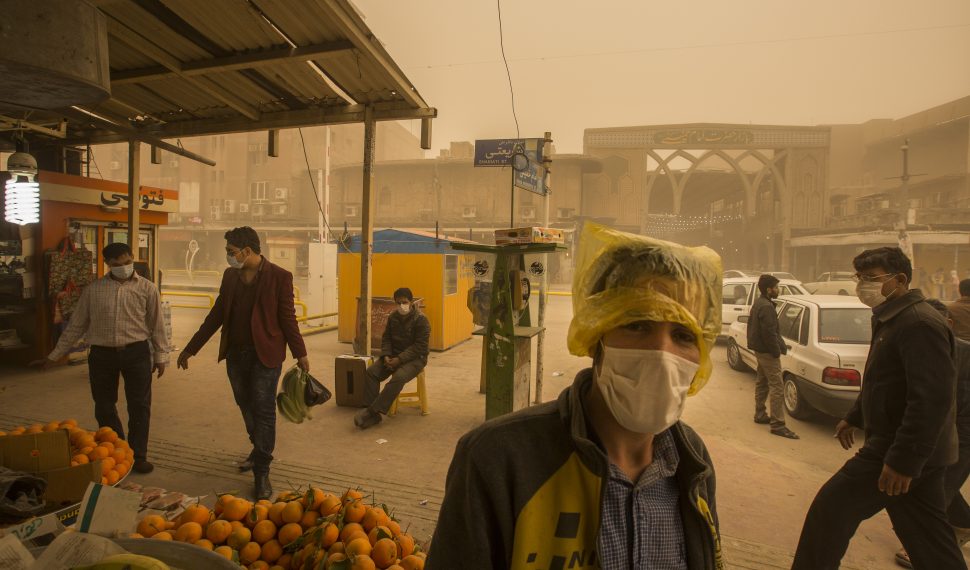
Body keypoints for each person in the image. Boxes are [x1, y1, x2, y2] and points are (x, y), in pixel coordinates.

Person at [427, 222, 724, 569]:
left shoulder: (692, 462)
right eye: (637, 324)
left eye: (684, 335)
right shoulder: (498, 460)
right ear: (597, 333)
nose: (661, 352)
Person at [792, 246, 964, 570]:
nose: (862, 286)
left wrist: (902, 461)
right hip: (912, 451)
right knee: (929, 539)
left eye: (871, 278)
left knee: (830, 510)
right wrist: (854, 417)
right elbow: (880, 379)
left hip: (898, 449)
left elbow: (931, 399)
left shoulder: (919, 324)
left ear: (899, 280)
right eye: (860, 278)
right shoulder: (891, 317)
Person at [176, 227, 308, 500]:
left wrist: (301, 353)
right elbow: (217, 315)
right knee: (246, 406)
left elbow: (288, 318)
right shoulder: (230, 276)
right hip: (236, 355)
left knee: (264, 411)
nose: (228, 257)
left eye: (230, 252)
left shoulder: (279, 277)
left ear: (247, 251)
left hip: (266, 356)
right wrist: (191, 348)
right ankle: (258, 448)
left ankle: (262, 472)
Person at [31, 242, 169, 474]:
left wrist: (161, 356)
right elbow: (76, 326)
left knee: (140, 406)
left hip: (137, 353)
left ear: (132, 258)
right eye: (117, 265)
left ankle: (138, 455)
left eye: (127, 262)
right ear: (107, 265)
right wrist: (53, 356)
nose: (123, 267)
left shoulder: (147, 288)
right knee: (104, 406)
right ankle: (116, 449)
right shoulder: (93, 290)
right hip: (102, 355)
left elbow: (157, 325)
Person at [894, 298, 970, 568]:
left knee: (941, 491)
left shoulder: (963, 355)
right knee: (935, 487)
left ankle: (929, 547)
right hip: (937, 438)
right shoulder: (923, 350)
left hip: (959, 438)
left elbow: (957, 410)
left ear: (948, 325)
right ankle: (963, 524)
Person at [354, 287, 431, 430]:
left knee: (399, 377)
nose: (401, 305)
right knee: (371, 372)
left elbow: (419, 347)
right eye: (398, 303)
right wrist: (386, 356)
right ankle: (371, 414)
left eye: (404, 302)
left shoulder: (421, 320)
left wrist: (400, 359)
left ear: (411, 302)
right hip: (393, 356)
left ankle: (372, 411)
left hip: (416, 359)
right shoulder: (393, 317)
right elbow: (386, 338)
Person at [746, 274, 799, 439]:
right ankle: (777, 424)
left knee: (762, 382)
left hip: (760, 350)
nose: (778, 290)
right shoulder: (767, 307)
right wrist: (776, 351)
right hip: (767, 352)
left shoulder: (760, 302)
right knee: (777, 386)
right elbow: (769, 333)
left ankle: (760, 414)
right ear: (769, 290)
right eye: (776, 288)